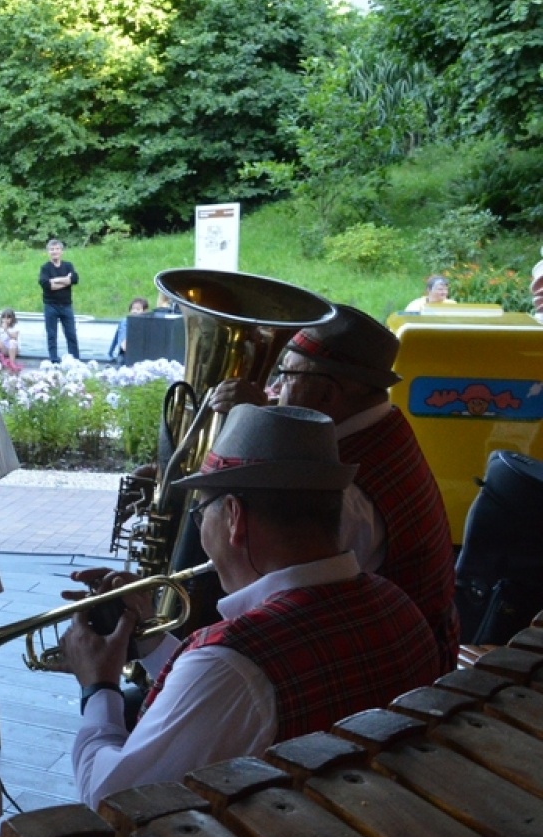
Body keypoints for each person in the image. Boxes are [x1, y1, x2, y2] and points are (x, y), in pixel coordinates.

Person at [60, 404, 439, 809]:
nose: (200, 529)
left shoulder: (232, 663)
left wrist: (98, 685)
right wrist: (150, 638)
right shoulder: (398, 604)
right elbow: (232, 696)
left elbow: (113, 799)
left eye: (199, 513)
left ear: (234, 517)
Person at [208, 305, 460, 671]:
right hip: (403, 643)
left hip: (385, 670)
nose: (273, 390)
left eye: (286, 376)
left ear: (327, 395)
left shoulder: (347, 492)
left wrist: (247, 433)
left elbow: (273, 588)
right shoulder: (383, 425)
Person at [39, 238, 80, 361]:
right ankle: (54, 360)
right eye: (52, 249)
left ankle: (75, 359)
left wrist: (55, 280)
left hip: (66, 305)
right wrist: (66, 281)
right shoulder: (45, 268)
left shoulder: (68, 265)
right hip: (50, 306)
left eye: (57, 249)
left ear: (61, 251)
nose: (54, 251)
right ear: (48, 252)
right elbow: (46, 285)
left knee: (71, 334)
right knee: (52, 335)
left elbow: (75, 279)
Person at [110, 296, 148, 363]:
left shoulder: (147, 323)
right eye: (133, 309)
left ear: (144, 311)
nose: (134, 311)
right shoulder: (125, 322)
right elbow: (122, 343)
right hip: (125, 355)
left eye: (138, 309)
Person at [0, 308, 21, 372]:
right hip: (3, 348)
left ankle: (12, 363)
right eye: (4, 318)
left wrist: (6, 330)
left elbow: (14, 337)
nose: (6, 320)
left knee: (12, 342)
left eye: (8, 318)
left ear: (12, 319)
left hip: (13, 349)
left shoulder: (15, 326)